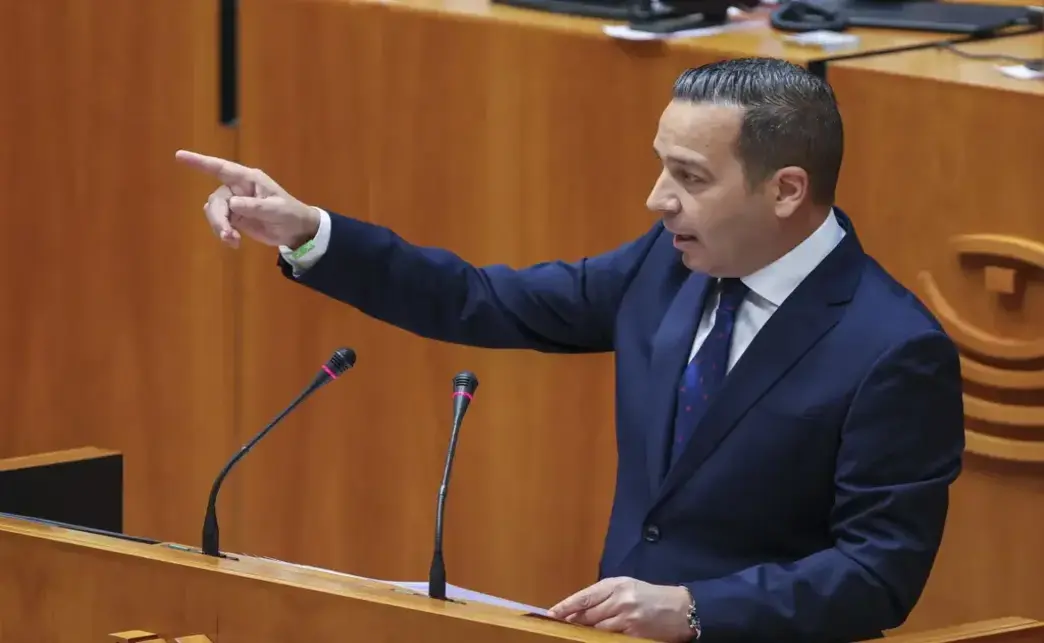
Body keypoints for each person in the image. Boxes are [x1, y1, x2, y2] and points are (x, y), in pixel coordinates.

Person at [176, 57, 964, 643]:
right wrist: (311, 232)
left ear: (786, 190)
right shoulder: (665, 266)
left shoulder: (891, 348)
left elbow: (877, 572)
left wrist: (693, 608)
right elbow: (479, 298)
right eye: (662, 164)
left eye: (689, 176)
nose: (657, 198)